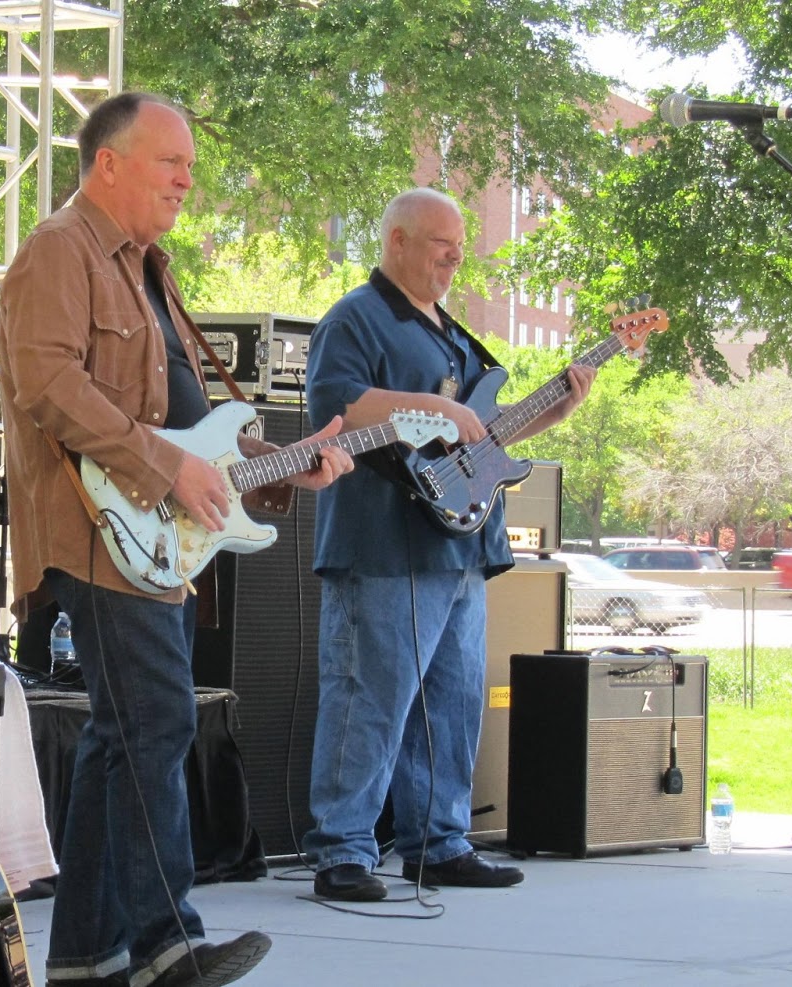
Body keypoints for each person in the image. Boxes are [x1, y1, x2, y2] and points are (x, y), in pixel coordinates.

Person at [0, 92, 353, 987]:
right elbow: (46, 383)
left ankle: (85, 958)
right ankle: (168, 942)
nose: (188, 180)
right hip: (93, 533)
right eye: (171, 163)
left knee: (122, 740)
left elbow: (197, 424)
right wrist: (165, 468)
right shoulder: (58, 250)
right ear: (108, 162)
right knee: (153, 723)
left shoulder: (151, 270)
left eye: (189, 166)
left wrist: (276, 463)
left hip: (151, 539)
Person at [302, 187, 597, 900]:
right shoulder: (356, 318)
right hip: (382, 544)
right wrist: (435, 405)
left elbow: (479, 437)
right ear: (396, 239)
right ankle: (342, 849)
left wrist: (553, 408)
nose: (454, 258)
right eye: (442, 244)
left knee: (453, 702)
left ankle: (440, 841)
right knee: (369, 697)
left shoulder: (452, 333)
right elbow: (335, 405)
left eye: (459, 247)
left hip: (461, 547)